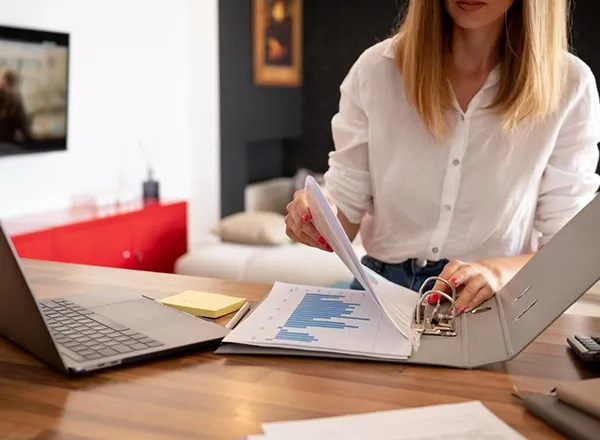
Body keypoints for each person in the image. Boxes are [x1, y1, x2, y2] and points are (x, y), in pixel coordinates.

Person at [285, 0, 600, 314]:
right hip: (378, 294)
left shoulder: (570, 85)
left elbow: (566, 248)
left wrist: (496, 272)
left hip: (488, 304)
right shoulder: (377, 70)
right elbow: (345, 217)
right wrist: (315, 216)